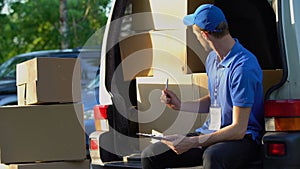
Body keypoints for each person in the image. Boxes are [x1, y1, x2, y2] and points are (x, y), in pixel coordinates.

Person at [141, 4, 264, 169]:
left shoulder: (243, 67)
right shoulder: (212, 59)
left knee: (212, 157)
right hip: (210, 134)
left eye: (196, 33)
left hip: (242, 139)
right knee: (152, 155)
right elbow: (215, 100)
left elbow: (238, 129)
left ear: (205, 35)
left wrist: (191, 142)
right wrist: (180, 105)